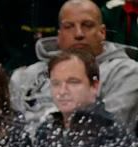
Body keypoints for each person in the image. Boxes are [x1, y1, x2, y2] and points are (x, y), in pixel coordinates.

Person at [10, 0, 138, 134]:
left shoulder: (126, 72)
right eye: (69, 26)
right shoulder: (25, 76)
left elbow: (111, 131)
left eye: (87, 25)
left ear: (102, 32)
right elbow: (8, 128)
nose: (78, 34)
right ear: (59, 35)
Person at [32, 48, 133, 147]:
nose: (62, 91)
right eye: (56, 83)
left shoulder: (110, 130)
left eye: (73, 82)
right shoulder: (46, 130)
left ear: (94, 86)